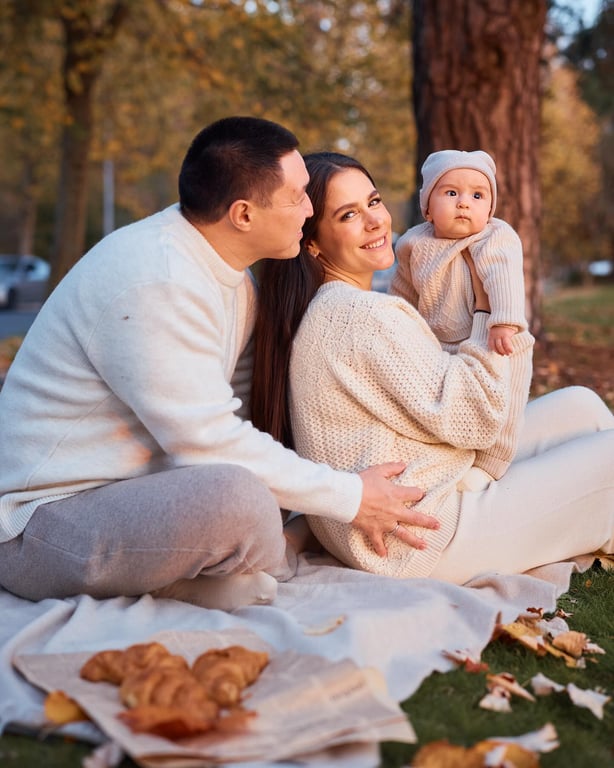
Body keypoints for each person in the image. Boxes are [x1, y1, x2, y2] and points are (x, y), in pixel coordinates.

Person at [0, 117, 434, 611]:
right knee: (237, 499)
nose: (310, 209)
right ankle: (196, 576)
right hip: (38, 526)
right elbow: (207, 445)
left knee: (254, 493)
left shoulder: (230, 279)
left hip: (141, 496)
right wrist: (349, 498)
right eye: (297, 197)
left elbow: (245, 417)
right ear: (244, 214)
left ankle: (195, 576)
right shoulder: (156, 283)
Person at [251, 151, 614, 582]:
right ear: (311, 241)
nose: (376, 221)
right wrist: (487, 309)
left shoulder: (333, 307)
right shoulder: (363, 316)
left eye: (374, 200)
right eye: (348, 215)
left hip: (414, 497)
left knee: (582, 406)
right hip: (423, 539)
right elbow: (480, 419)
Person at [391, 150, 531, 489]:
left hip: (496, 340)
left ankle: (491, 463)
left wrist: (504, 321)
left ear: (490, 208)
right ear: (427, 207)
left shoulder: (494, 236)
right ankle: (453, 456)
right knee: (451, 406)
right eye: (451, 193)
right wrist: (398, 324)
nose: (464, 203)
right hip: (439, 345)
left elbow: (503, 276)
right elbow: (403, 291)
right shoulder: (414, 243)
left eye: (477, 195)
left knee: (505, 402)